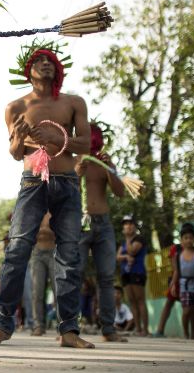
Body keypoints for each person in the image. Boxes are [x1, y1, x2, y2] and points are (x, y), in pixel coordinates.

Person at [0, 40, 93, 349]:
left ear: (58, 70)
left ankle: (69, 331)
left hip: (68, 182)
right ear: (28, 71)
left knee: (69, 254)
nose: (45, 63)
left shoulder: (74, 102)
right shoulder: (15, 107)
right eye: (39, 60)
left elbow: (86, 143)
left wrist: (58, 138)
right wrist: (19, 138)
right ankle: (2, 326)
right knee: (17, 249)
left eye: (50, 60)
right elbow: (16, 152)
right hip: (32, 183)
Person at [75, 122, 128, 342]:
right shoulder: (74, 160)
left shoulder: (104, 162)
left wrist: (111, 169)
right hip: (79, 223)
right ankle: (69, 329)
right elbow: (67, 191)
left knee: (106, 277)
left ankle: (108, 329)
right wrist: (78, 172)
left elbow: (120, 192)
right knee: (73, 274)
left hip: (103, 223)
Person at [172, 223, 194, 340]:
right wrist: (173, 285)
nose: (188, 240)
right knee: (186, 311)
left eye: (191, 238)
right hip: (184, 286)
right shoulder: (178, 256)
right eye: (186, 238)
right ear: (181, 240)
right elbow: (177, 271)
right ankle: (186, 334)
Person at [117, 215, 148, 337]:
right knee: (132, 301)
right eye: (126, 224)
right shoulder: (123, 242)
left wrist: (128, 238)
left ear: (135, 226)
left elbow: (132, 251)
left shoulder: (139, 239)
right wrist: (125, 257)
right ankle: (138, 329)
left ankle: (145, 330)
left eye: (130, 223)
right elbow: (118, 257)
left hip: (137, 272)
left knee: (140, 300)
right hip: (126, 273)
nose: (128, 226)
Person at [29, 212, 56, 336]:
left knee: (58, 289)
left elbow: (61, 232)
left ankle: (63, 326)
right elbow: (29, 231)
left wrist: (42, 231)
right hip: (37, 253)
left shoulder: (56, 209)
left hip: (54, 251)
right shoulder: (35, 209)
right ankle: (38, 325)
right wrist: (47, 231)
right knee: (37, 291)